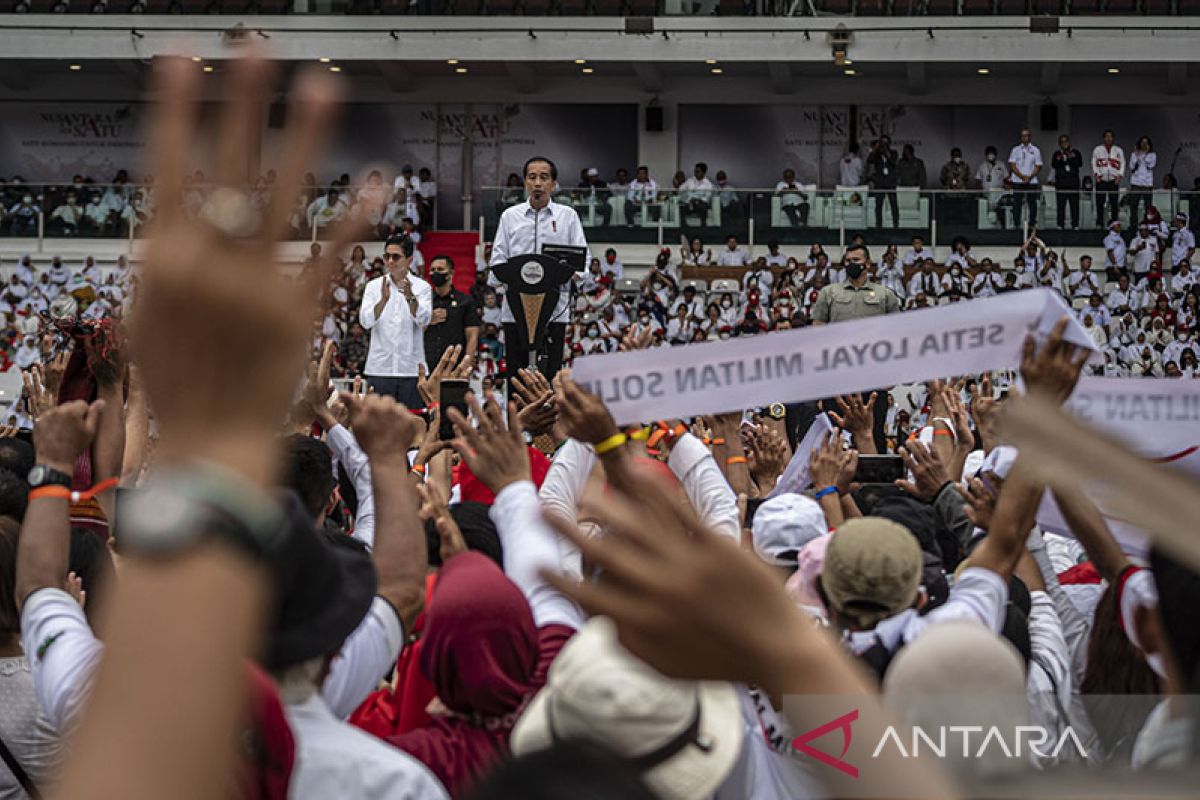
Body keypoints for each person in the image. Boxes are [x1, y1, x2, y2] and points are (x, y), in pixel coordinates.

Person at [488, 156, 590, 379]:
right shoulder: (510, 217)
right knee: (517, 379)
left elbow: (583, 264)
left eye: (544, 177)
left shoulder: (568, 216)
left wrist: (570, 273)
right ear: (525, 182)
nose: (537, 183)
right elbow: (496, 263)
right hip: (515, 310)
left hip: (554, 311)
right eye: (532, 177)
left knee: (550, 377)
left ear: (553, 184)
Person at [359, 234, 433, 409]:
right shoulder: (373, 286)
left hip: (411, 370)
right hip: (379, 369)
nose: (390, 261)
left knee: (412, 426)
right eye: (387, 256)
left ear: (409, 260)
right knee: (378, 429)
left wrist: (410, 296)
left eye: (396, 257)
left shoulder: (422, 287)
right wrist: (382, 301)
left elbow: (424, 319)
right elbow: (365, 322)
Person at [423, 255, 480, 371]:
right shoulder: (424, 301)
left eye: (440, 269)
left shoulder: (465, 301)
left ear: (451, 273)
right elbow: (413, 330)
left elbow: (472, 335)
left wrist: (466, 363)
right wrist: (428, 319)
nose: (435, 273)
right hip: (426, 363)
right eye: (432, 270)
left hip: (454, 365)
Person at [1007, 128, 1043, 230]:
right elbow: (1012, 165)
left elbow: (1038, 165)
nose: (1024, 137)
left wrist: (1029, 177)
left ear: (1030, 137)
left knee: (1032, 203)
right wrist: (1022, 176)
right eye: (1023, 135)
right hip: (1018, 180)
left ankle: (1032, 224)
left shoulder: (1035, 150)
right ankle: (1016, 223)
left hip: (1031, 181)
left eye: (1026, 135)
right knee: (1017, 202)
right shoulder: (1015, 150)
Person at [1092, 129, 1125, 229]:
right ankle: (1100, 223)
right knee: (1099, 202)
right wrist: (1097, 175)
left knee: (1114, 203)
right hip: (1101, 179)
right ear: (1104, 138)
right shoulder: (1098, 149)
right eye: (1107, 136)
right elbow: (1094, 162)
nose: (1108, 138)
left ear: (1113, 138)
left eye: (1110, 136)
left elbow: (1123, 163)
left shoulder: (1118, 150)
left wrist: (1120, 175)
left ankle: (1114, 223)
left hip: (1113, 179)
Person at [1050, 134, 1083, 230]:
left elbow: (1079, 163)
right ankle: (1060, 224)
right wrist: (1062, 159)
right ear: (1059, 144)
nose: (1064, 143)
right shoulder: (1057, 154)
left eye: (1066, 141)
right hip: (1061, 184)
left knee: (1075, 206)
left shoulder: (1075, 152)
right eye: (1062, 142)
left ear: (1069, 142)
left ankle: (1075, 225)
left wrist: (1070, 158)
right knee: (1060, 206)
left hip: (1073, 184)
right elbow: (1054, 164)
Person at [866, 136, 899, 228]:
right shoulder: (877, 154)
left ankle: (896, 225)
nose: (884, 144)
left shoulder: (894, 153)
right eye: (882, 142)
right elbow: (870, 160)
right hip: (880, 183)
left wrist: (886, 152)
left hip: (890, 182)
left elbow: (893, 162)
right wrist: (875, 149)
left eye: (886, 142)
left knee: (894, 205)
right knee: (878, 205)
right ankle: (878, 225)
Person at [1128, 135, 1156, 226]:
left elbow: (1150, 165)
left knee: (1148, 207)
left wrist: (1146, 153)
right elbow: (1132, 167)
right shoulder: (1134, 154)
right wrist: (1136, 154)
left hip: (1147, 184)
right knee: (1133, 206)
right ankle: (1133, 225)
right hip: (1136, 183)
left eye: (1146, 142)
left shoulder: (1152, 155)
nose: (1144, 144)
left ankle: (1147, 224)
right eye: (1142, 142)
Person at [939, 148, 971, 225]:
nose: (957, 157)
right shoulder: (946, 166)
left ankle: (964, 225)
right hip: (950, 193)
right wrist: (949, 185)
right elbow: (942, 179)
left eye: (958, 155)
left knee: (963, 210)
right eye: (955, 155)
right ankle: (947, 224)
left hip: (961, 193)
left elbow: (966, 178)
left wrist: (960, 184)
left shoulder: (965, 166)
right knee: (949, 210)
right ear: (952, 156)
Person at [679, 163, 714, 227]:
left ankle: (703, 228)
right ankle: (685, 228)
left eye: (697, 172)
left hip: (699, 204)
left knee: (702, 207)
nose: (695, 173)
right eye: (695, 171)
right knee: (679, 209)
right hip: (688, 203)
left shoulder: (708, 184)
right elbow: (680, 189)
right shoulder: (690, 180)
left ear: (704, 173)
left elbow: (706, 199)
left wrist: (696, 200)